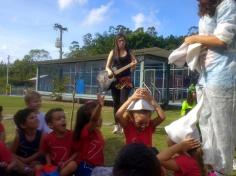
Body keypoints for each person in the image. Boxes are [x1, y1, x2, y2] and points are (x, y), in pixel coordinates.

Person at [184, 0, 236, 173]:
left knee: (222, 127)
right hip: (205, 75)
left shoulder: (228, 4)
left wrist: (194, 38)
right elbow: (209, 41)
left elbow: (223, 39)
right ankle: (210, 166)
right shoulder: (205, 12)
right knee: (205, 121)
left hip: (223, 75)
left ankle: (222, 170)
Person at [105, 33, 137, 134]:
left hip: (126, 80)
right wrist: (109, 71)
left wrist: (133, 66)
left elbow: (134, 64)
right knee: (116, 103)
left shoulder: (129, 52)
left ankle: (124, 124)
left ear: (125, 41)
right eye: (120, 41)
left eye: (123, 40)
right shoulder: (113, 52)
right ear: (116, 42)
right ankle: (117, 125)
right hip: (115, 80)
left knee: (123, 102)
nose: (122, 42)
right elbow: (107, 66)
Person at [73, 95, 112, 176]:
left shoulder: (97, 132)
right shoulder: (86, 131)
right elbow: (94, 120)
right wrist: (100, 105)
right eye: (98, 115)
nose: (100, 118)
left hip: (96, 168)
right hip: (85, 168)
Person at [40, 108, 77, 176]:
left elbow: (76, 152)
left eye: (64, 117)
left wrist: (66, 163)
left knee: (73, 164)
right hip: (54, 167)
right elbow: (46, 152)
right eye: (58, 119)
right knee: (37, 167)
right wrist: (49, 164)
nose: (63, 120)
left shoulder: (72, 135)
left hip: (66, 166)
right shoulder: (47, 138)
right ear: (50, 125)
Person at [11, 108, 43, 175]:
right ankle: (27, 170)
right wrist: (23, 160)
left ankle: (28, 171)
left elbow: (40, 152)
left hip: (33, 161)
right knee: (14, 161)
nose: (36, 119)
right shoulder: (19, 136)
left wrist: (28, 160)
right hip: (21, 162)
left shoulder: (42, 135)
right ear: (23, 125)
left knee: (38, 165)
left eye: (36, 116)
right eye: (32, 118)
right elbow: (11, 153)